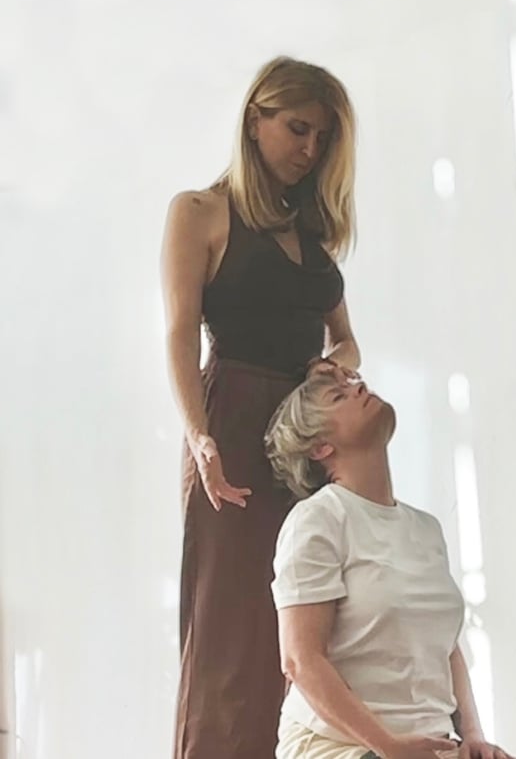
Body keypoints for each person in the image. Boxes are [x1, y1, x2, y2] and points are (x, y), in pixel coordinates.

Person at [160, 56, 361, 759]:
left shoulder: (313, 231)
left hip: (309, 431)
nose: (310, 150)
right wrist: (201, 437)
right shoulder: (199, 212)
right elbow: (180, 334)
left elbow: (347, 342)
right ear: (256, 120)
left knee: (315, 615)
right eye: (298, 129)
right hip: (235, 420)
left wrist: (331, 372)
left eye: (322, 138)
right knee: (232, 624)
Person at [263, 373, 516, 759]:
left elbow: (445, 647)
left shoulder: (425, 528)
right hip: (335, 745)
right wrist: (387, 746)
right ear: (320, 448)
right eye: (338, 396)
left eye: (354, 384)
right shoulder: (318, 519)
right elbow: (300, 660)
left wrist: (474, 737)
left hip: (424, 744)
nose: (359, 388)